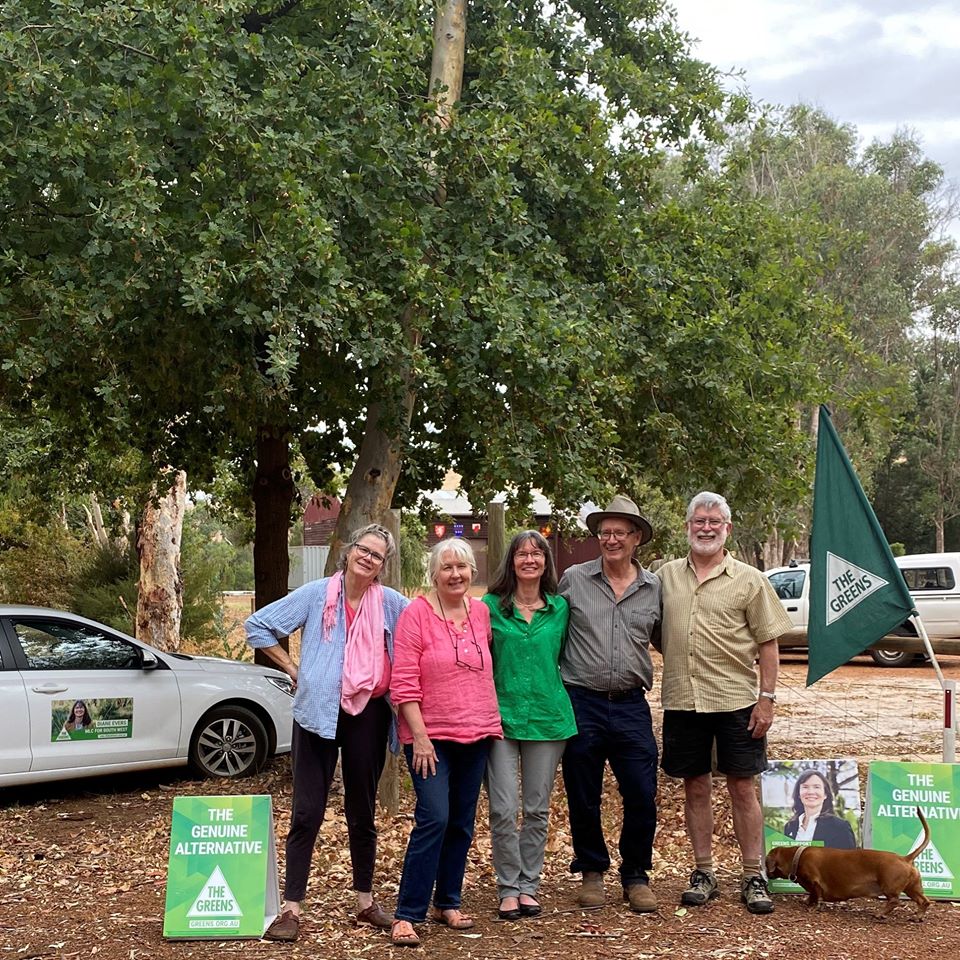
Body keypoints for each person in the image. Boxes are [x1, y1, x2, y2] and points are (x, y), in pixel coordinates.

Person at [245, 523, 408, 942]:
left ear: (382, 566)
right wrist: (294, 668)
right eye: (363, 549)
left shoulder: (390, 603)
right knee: (307, 811)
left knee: (362, 810)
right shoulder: (317, 594)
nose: (367, 558)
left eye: (377, 555)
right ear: (349, 551)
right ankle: (291, 908)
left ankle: (365, 902)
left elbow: (423, 632)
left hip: (368, 714)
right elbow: (259, 625)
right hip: (316, 713)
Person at [655, 491, 793, 915]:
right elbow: (653, 630)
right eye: (699, 520)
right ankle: (703, 872)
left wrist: (766, 700)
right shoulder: (664, 577)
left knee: (742, 787)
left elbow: (769, 644)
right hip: (683, 698)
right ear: (687, 527)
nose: (707, 527)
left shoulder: (750, 579)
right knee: (695, 786)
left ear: (728, 528)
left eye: (715, 521)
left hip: (736, 700)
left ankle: (753, 874)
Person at [389, 538, 503, 947]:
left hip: (476, 732)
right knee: (434, 816)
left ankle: (448, 901)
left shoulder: (482, 612)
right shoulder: (415, 615)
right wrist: (419, 737)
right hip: (429, 737)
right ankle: (407, 913)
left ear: (472, 571)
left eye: (463, 567)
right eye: (447, 567)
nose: (455, 574)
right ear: (433, 574)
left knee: (461, 821)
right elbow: (402, 683)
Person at [558, 494, 661, 913]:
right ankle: (592, 871)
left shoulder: (654, 587)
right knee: (583, 792)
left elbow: (668, 641)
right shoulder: (573, 580)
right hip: (582, 700)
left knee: (641, 791)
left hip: (631, 704)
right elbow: (549, 630)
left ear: (636, 537)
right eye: (605, 532)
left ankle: (635, 875)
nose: (611, 539)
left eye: (620, 532)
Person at [482, 530, 577, 920]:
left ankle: (528, 886)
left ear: (545, 562)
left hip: (548, 717)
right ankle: (507, 887)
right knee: (503, 808)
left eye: (537, 553)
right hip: (500, 718)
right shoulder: (488, 607)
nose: (529, 559)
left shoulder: (560, 608)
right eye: (522, 554)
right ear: (512, 562)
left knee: (537, 809)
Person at [783, 770, 857, 849]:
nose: (811, 792)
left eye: (816, 787)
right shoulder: (790, 827)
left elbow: (849, 860)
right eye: (805, 787)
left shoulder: (840, 827)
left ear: (825, 794)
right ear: (798, 794)